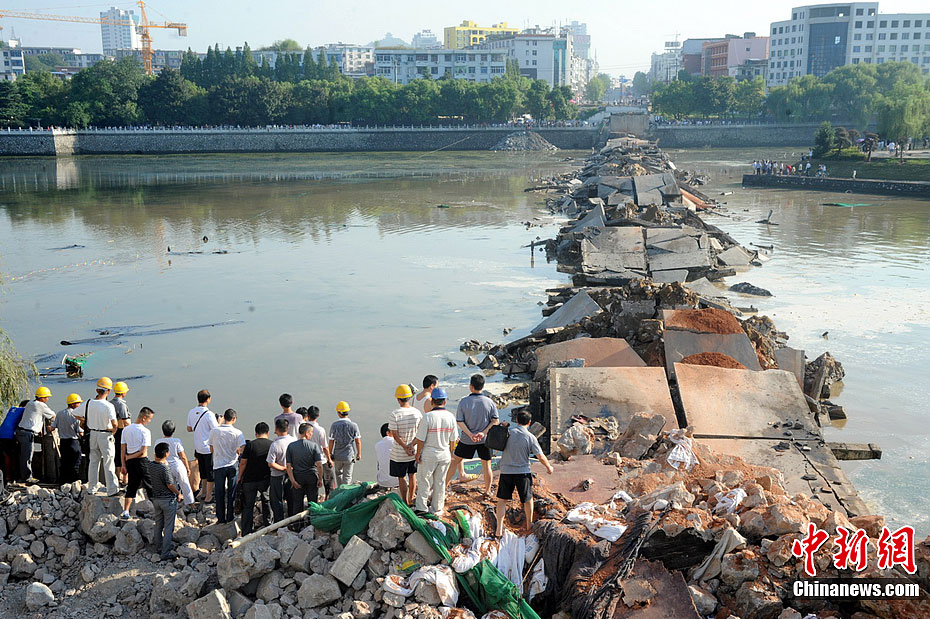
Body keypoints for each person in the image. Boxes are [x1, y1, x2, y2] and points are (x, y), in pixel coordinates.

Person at [494, 411, 554, 537]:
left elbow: (495, 439)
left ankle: (499, 529)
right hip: (522, 472)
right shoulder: (530, 437)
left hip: (506, 471)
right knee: (527, 499)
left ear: (516, 420)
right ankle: (529, 524)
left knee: (502, 500)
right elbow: (540, 456)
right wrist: (548, 466)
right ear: (529, 422)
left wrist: (503, 426)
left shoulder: (509, 432)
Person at [447, 374, 499, 496]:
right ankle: (487, 491)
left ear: (471, 387)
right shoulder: (489, 402)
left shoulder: (464, 402)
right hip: (484, 440)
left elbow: (459, 421)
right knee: (487, 465)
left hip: (467, 439)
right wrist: (483, 432)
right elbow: (495, 420)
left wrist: (470, 434)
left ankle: (444, 486)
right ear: (483, 386)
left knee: (455, 461)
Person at [413, 388, 456, 516]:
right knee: (440, 481)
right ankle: (437, 508)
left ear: (432, 401)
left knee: (424, 480)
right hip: (444, 454)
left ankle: (421, 507)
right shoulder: (450, 416)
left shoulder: (428, 417)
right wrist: (450, 453)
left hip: (429, 454)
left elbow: (420, 439)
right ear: (445, 401)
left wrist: (417, 454)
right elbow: (453, 440)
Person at [208, 408, 245, 524]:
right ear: (234, 419)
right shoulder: (238, 433)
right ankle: (230, 516)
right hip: (232, 465)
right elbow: (242, 449)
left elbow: (211, 448)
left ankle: (220, 517)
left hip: (219, 465)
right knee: (231, 492)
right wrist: (237, 450)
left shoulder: (214, 431)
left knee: (219, 493)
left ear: (224, 417)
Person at [147, 442, 183, 561]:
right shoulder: (165, 468)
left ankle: (158, 548)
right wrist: (178, 493)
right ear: (166, 453)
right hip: (167, 500)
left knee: (158, 524)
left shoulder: (151, 465)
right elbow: (170, 484)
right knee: (168, 527)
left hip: (156, 499)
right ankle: (166, 552)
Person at [388, 384, 421, 506]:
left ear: (398, 399)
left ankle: (405, 501)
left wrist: (405, 447)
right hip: (413, 451)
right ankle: (412, 498)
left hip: (399, 453)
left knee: (401, 477)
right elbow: (420, 433)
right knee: (412, 475)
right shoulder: (417, 413)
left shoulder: (395, 414)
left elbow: (395, 435)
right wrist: (411, 446)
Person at [86, 377, 120, 496]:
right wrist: (113, 430)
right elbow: (115, 423)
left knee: (94, 462)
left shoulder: (89, 403)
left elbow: (76, 414)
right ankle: (112, 489)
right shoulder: (108, 405)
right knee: (109, 462)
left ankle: (92, 488)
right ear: (109, 391)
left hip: (93, 434)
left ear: (97, 390)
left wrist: (88, 421)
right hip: (105, 434)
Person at [119, 407, 154, 519]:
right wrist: (129, 457)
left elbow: (122, 449)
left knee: (132, 487)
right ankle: (158, 510)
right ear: (144, 418)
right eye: (149, 419)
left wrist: (123, 465)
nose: (150, 422)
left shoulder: (126, 429)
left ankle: (126, 511)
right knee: (150, 486)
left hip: (130, 463)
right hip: (142, 462)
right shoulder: (145, 431)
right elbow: (142, 452)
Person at [238, 422, 272, 535]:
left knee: (248, 505)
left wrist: (239, 477)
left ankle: (246, 531)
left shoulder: (250, 445)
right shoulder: (271, 444)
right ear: (267, 432)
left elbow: (243, 463)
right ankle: (269, 526)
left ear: (256, 433)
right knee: (266, 501)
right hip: (265, 479)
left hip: (249, 480)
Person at [16, 387, 56, 484]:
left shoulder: (30, 403)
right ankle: (27, 478)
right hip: (27, 433)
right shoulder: (41, 405)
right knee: (27, 456)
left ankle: (22, 476)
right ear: (42, 398)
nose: (48, 399)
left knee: (22, 456)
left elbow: (36, 416)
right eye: (46, 397)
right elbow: (52, 415)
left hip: (21, 431)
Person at [186, 389, 218, 503]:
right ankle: (208, 496)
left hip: (198, 446)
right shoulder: (209, 414)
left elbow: (189, 429)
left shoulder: (191, 412)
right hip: (208, 447)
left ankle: (203, 492)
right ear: (208, 399)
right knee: (210, 473)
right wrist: (220, 421)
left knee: (203, 471)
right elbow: (216, 430)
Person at [285, 422, 325, 513]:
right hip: (311, 476)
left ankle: (297, 524)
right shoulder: (314, 446)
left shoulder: (291, 446)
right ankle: (312, 522)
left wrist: (293, 481)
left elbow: (288, 466)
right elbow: (319, 464)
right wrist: (320, 478)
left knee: (297, 502)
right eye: (311, 432)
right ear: (307, 433)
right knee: (313, 502)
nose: (311, 434)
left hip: (298, 476)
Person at [154, 421, 194, 507]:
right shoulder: (176, 441)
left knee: (170, 485)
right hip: (177, 465)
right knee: (185, 484)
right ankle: (191, 504)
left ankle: (173, 502)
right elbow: (183, 456)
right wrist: (187, 468)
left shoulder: (158, 441)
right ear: (173, 431)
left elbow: (156, 456)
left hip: (165, 466)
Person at [266, 418, 296, 522]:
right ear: (288, 428)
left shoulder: (275, 444)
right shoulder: (294, 441)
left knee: (277, 499)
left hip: (277, 475)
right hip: (291, 474)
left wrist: (283, 468)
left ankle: (279, 521)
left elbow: (271, 463)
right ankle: (292, 520)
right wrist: (288, 468)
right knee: (291, 498)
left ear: (276, 429)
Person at [328, 401, 360, 487]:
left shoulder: (334, 425)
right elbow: (358, 441)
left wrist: (330, 454)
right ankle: (346, 492)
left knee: (338, 474)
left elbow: (331, 441)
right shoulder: (354, 425)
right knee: (347, 477)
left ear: (338, 413)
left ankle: (340, 490)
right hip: (349, 455)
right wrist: (359, 453)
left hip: (337, 455)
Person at [54, 394, 85, 484]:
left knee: (64, 463)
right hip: (73, 442)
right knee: (75, 463)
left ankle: (63, 482)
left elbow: (53, 426)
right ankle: (74, 482)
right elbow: (80, 431)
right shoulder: (76, 415)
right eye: (78, 403)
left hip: (63, 442)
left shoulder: (59, 413)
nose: (79, 405)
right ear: (72, 404)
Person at [305, 406, 334, 498]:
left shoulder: (302, 428)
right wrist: (329, 459)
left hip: (307, 460)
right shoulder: (320, 430)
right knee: (329, 481)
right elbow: (325, 447)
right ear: (318, 416)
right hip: (321, 459)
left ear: (308, 415)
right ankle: (327, 499)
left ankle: (312, 502)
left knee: (312, 485)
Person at [0, 401, 28, 482]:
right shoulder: (24, 410)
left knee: (5, 455)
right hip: (9, 435)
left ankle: (6, 476)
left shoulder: (12, 408)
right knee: (11, 456)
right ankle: (10, 477)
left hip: (1, 432)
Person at [111, 381, 131, 485]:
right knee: (124, 454)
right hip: (122, 431)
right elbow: (126, 421)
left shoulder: (110, 403)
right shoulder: (121, 404)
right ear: (123, 393)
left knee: (117, 455)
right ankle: (125, 479)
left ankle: (118, 477)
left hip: (114, 432)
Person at [375, 423, 398, 489]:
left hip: (382, 482)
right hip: (397, 482)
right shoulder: (395, 442)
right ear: (388, 433)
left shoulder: (377, 445)